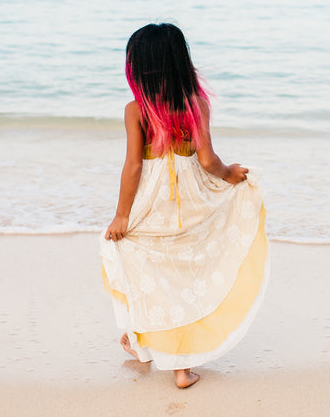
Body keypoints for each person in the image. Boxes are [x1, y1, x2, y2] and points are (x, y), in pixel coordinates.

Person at [99, 23, 269, 389]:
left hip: (152, 203)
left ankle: (140, 337)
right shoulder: (196, 104)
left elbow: (133, 165)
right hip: (190, 202)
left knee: (138, 261)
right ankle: (180, 368)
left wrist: (122, 215)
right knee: (187, 276)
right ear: (180, 62)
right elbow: (207, 160)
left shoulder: (136, 110)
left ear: (139, 68)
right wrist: (230, 175)